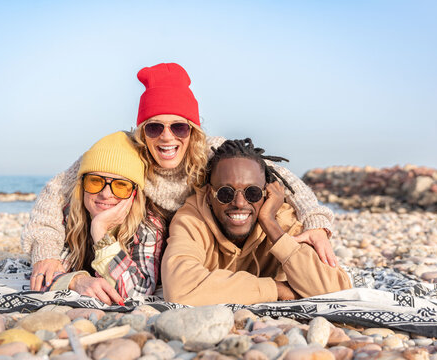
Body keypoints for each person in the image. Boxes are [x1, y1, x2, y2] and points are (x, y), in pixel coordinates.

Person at [22, 62, 337, 291]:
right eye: (155, 127)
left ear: (194, 130)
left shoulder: (211, 153)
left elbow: (278, 175)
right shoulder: (124, 151)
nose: (167, 137)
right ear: (142, 130)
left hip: (194, 241)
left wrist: (318, 223)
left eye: (179, 126)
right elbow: (56, 191)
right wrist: (46, 253)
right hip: (145, 246)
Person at [161, 138, 352, 305]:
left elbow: (338, 292)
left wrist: (270, 224)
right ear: (210, 195)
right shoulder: (192, 218)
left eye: (252, 192)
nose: (239, 203)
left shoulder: (281, 218)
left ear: (266, 194)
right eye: (225, 193)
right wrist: (277, 290)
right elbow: (180, 290)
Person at [41, 131, 165, 305]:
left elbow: (138, 292)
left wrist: (100, 232)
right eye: (95, 181)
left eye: (121, 185)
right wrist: (75, 281)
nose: (105, 194)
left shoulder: (148, 226)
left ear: (134, 193)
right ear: (82, 185)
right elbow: (44, 275)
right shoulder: (70, 216)